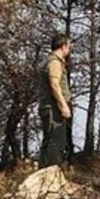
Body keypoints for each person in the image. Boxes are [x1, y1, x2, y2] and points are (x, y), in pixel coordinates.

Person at [37, 33, 72, 168]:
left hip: (50, 107)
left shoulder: (50, 61)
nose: (69, 50)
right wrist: (63, 106)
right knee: (56, 142)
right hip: (53, 109)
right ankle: (50, 177)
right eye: (68, 47)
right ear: (63, 46)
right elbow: (54, 84)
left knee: (50, 142)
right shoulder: (55, 62)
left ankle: (43, 174)